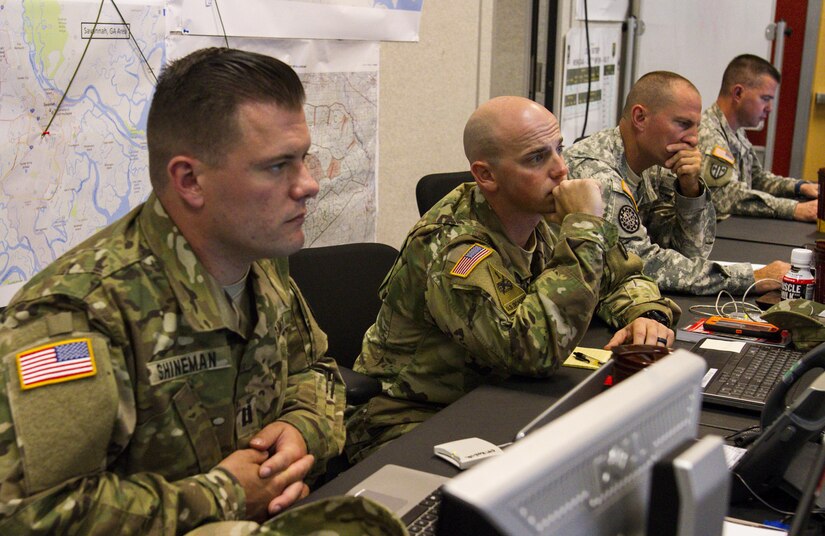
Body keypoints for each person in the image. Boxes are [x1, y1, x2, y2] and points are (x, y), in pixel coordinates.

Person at [0, 48, 404, 535]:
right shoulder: (76, 314)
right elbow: (33, 515)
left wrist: (301, 433)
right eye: (278, 166)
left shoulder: (261, 262)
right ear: (189, 180)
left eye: (303, 159)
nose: (309, 185)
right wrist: (225, 495)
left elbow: (315, 370)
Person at [345, 96, 680, 463]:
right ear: (486, 175)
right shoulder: (454, 249)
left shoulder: (542, 212)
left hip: (498, 401)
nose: (560, 170)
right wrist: (584, 227)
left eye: (558, 150)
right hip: (411, 420)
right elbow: (533, 351)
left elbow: (620, 276)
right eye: (536, 158)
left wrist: (647, 314)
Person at [564, 71, 788, 295]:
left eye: (695, 127)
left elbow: (692, 252)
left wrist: (690, 189)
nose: (693, 139)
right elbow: (642, 264)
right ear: (640, 118)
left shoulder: (656, 164)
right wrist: (750, 278)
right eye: (683, 124)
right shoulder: (598, 174)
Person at [698, 54, 818, 222]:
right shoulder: (709, 134)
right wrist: (794, 209)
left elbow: (757, 178)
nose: (769, 108)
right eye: (765, 99)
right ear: (738, 93)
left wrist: (799, 187)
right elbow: (725, 196)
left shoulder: (736, 131)